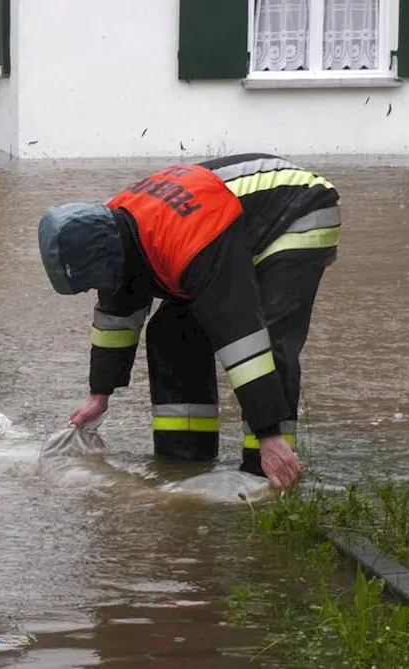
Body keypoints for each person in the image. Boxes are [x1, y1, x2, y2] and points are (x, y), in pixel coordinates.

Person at [37, 153, 341, 492]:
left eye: (94, 282)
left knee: (266, 342)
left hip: (295, 210)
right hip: (228, 224)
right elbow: (117, 313)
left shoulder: (185, 242)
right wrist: (99, 394)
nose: (96, 289)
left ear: (106, 259)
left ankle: (268, 469)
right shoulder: (113, 229)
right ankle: (184, 460)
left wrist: (267, 433)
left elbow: (239, 334)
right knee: (171, 332)